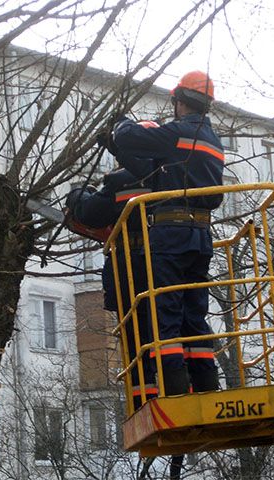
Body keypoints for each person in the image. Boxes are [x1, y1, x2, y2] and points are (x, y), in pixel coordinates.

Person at [109, 71, 224, 396]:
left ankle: (173, 389)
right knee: (194, 314)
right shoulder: (211, 142)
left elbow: (132, 137)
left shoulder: (176, 134)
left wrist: (121, 125)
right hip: (200, 235)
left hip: (170, 234)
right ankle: (205, 384)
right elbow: (155, 172)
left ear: (179, 102)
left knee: (166, 312)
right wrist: (122, 154)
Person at [66, 168, 155, 409]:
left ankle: (143, 399)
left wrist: (77, 195)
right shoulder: (174, 173)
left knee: (136, 338)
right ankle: (185, 384)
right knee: (171, 328)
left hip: (132, 267)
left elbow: (90, 213)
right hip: (169, 263)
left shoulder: (123, 180)